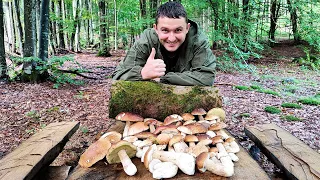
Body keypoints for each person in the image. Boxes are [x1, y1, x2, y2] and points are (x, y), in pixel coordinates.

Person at [112, 1, 216, 86]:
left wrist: (163, 78)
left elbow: (207, 78)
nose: (171, 38)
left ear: (187, 28)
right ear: (156, 29)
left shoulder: (198, 42)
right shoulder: (146, 41)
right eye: (165, 30)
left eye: (178, 30)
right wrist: (142, 73)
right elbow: (118, 74)